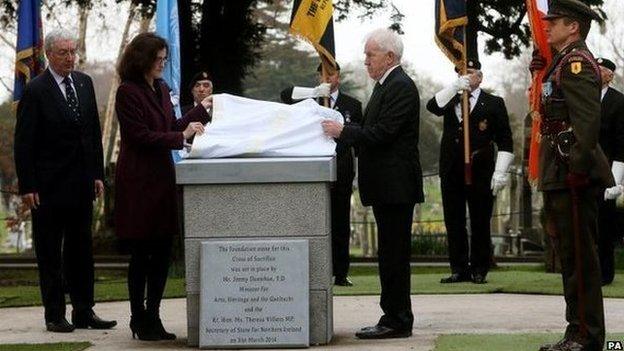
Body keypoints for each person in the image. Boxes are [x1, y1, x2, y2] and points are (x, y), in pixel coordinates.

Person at [322, 28, 423, 339]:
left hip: (396, 187)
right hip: (385, 186)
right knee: (389, 255)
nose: (365, 60)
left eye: (370, 55)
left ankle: (397, 319)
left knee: (394, 256)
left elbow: (382, 134)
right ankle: (391, 315)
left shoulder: (401, 87)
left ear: (389, 57)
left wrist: (342, 131)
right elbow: (371, 127)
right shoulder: (384, 86)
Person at [14, 29, 117, 333]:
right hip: (47, 189)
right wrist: (28, 186)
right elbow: (24, 143)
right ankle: (54, 314)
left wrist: (97, 174)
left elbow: (91, 134)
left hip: (82, 184)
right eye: (64, 52)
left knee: (81, 252)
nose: (71, 58)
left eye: (73, 52)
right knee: (50, 253)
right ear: (49, 54)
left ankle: (84, 311)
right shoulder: (35, 90)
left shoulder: (84, 84)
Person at [114, 32, 211, 341]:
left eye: (164, 59)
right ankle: (137, 317)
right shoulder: (128, 92)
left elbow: (171, 126)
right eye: (157, 59)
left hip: (162, 181)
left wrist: (199, 113)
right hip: (139, 182)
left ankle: (153, 316)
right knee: (142, 254)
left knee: (162, 252)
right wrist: (179, 137)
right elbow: (139, 135)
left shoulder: (163, 88)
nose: (162, 64)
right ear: (141, 59)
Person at [530, 1, 612, 350]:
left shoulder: (576, 65)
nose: (546, 27)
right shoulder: (562, 62)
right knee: (571, 258)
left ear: (573, 27)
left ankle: (587, 337)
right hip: (561, 172)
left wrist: (578, 169)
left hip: (573, 174)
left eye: (555, 22)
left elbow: (587, 122)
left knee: (581, 261)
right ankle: (575, 331)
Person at [426, 60, 514, 284]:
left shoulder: (493, 103)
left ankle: (479, 269)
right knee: (454, 221)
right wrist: (455, 87)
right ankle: (459, 268)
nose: (465, 76)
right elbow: (432, 107)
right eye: (460, 73)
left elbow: (505, 141)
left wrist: (500, 172)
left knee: (480, 221)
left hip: (480, 170)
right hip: (452, 170)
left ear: (480, 77)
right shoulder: (450, 98)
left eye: (470, 72)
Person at [281, 63, 363, 286]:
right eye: (322, 74)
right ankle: (316, 271)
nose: (327, 77)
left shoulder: (353, 105)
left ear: (339, 76)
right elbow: (285, 96)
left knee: (340, 222)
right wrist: (314, 93)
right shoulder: (310, 102)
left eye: (331, 73)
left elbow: (359, 136)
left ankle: (341, 273)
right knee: (314, 221)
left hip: (342, 169)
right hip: (314, 169)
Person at [595, 57, 624, 286]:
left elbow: (622, 142)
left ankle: (605, 273)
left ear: (610, 75)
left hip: (608, 169)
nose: (597, 72)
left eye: (601, 69)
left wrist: (616, 180)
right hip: (585, 167)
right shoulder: (584, 97)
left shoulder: (618, 101)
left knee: (605, 223)